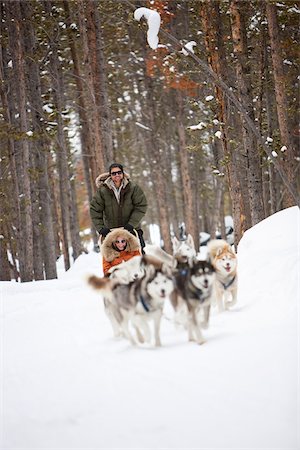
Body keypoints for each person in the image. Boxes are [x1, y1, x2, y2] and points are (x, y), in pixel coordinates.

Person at [90, 163, 147, 252]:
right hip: (112, 234)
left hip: (131, 230)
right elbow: (95, 210)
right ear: (110, 175)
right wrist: (101, 228)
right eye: (114, 173)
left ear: (123, 173)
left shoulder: (133, 188)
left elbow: (141, 206)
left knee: (138, 258)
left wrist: (132, 224)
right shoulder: (103, 191)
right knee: (114, 262)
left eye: (119, 172)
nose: (117, 175)